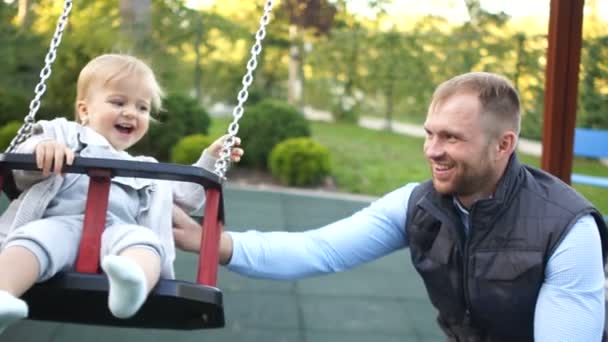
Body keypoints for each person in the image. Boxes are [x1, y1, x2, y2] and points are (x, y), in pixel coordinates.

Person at [173, 71, 608, 341]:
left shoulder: (566, 230)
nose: (432, 150)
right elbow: (318, 250)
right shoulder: (420, 205)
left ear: (504, 144)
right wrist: (211, 241)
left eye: (451, 137)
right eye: (429, 133)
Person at [0, 53, 243, 334]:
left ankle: (131, 284)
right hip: (58, 223)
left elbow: (187, 196)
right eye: (118, 102)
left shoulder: (145, 168)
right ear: (84, 110)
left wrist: (211, 159)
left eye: (142, 108)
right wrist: (43, 150)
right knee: (31, 242)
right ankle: (3, 295)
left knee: (147, 244)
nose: (131, 112)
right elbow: (21, 168)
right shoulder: (61, 134)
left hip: (118, 234)